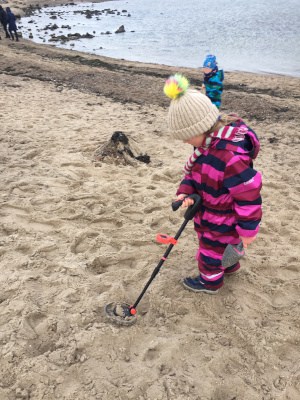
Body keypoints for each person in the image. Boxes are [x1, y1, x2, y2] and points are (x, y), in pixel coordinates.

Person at [163, 74, 262, 294]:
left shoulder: (230, 156)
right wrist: (185, 191)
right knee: (224, 248)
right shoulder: (205, 147)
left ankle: (210, 282)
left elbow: (249, 196)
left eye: (187, 137)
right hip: (209, 209)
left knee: (209, 253)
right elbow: (195, 174)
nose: (185, 142)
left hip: (223, 217)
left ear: (202, 128)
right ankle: (230, 266)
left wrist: (248, 230)